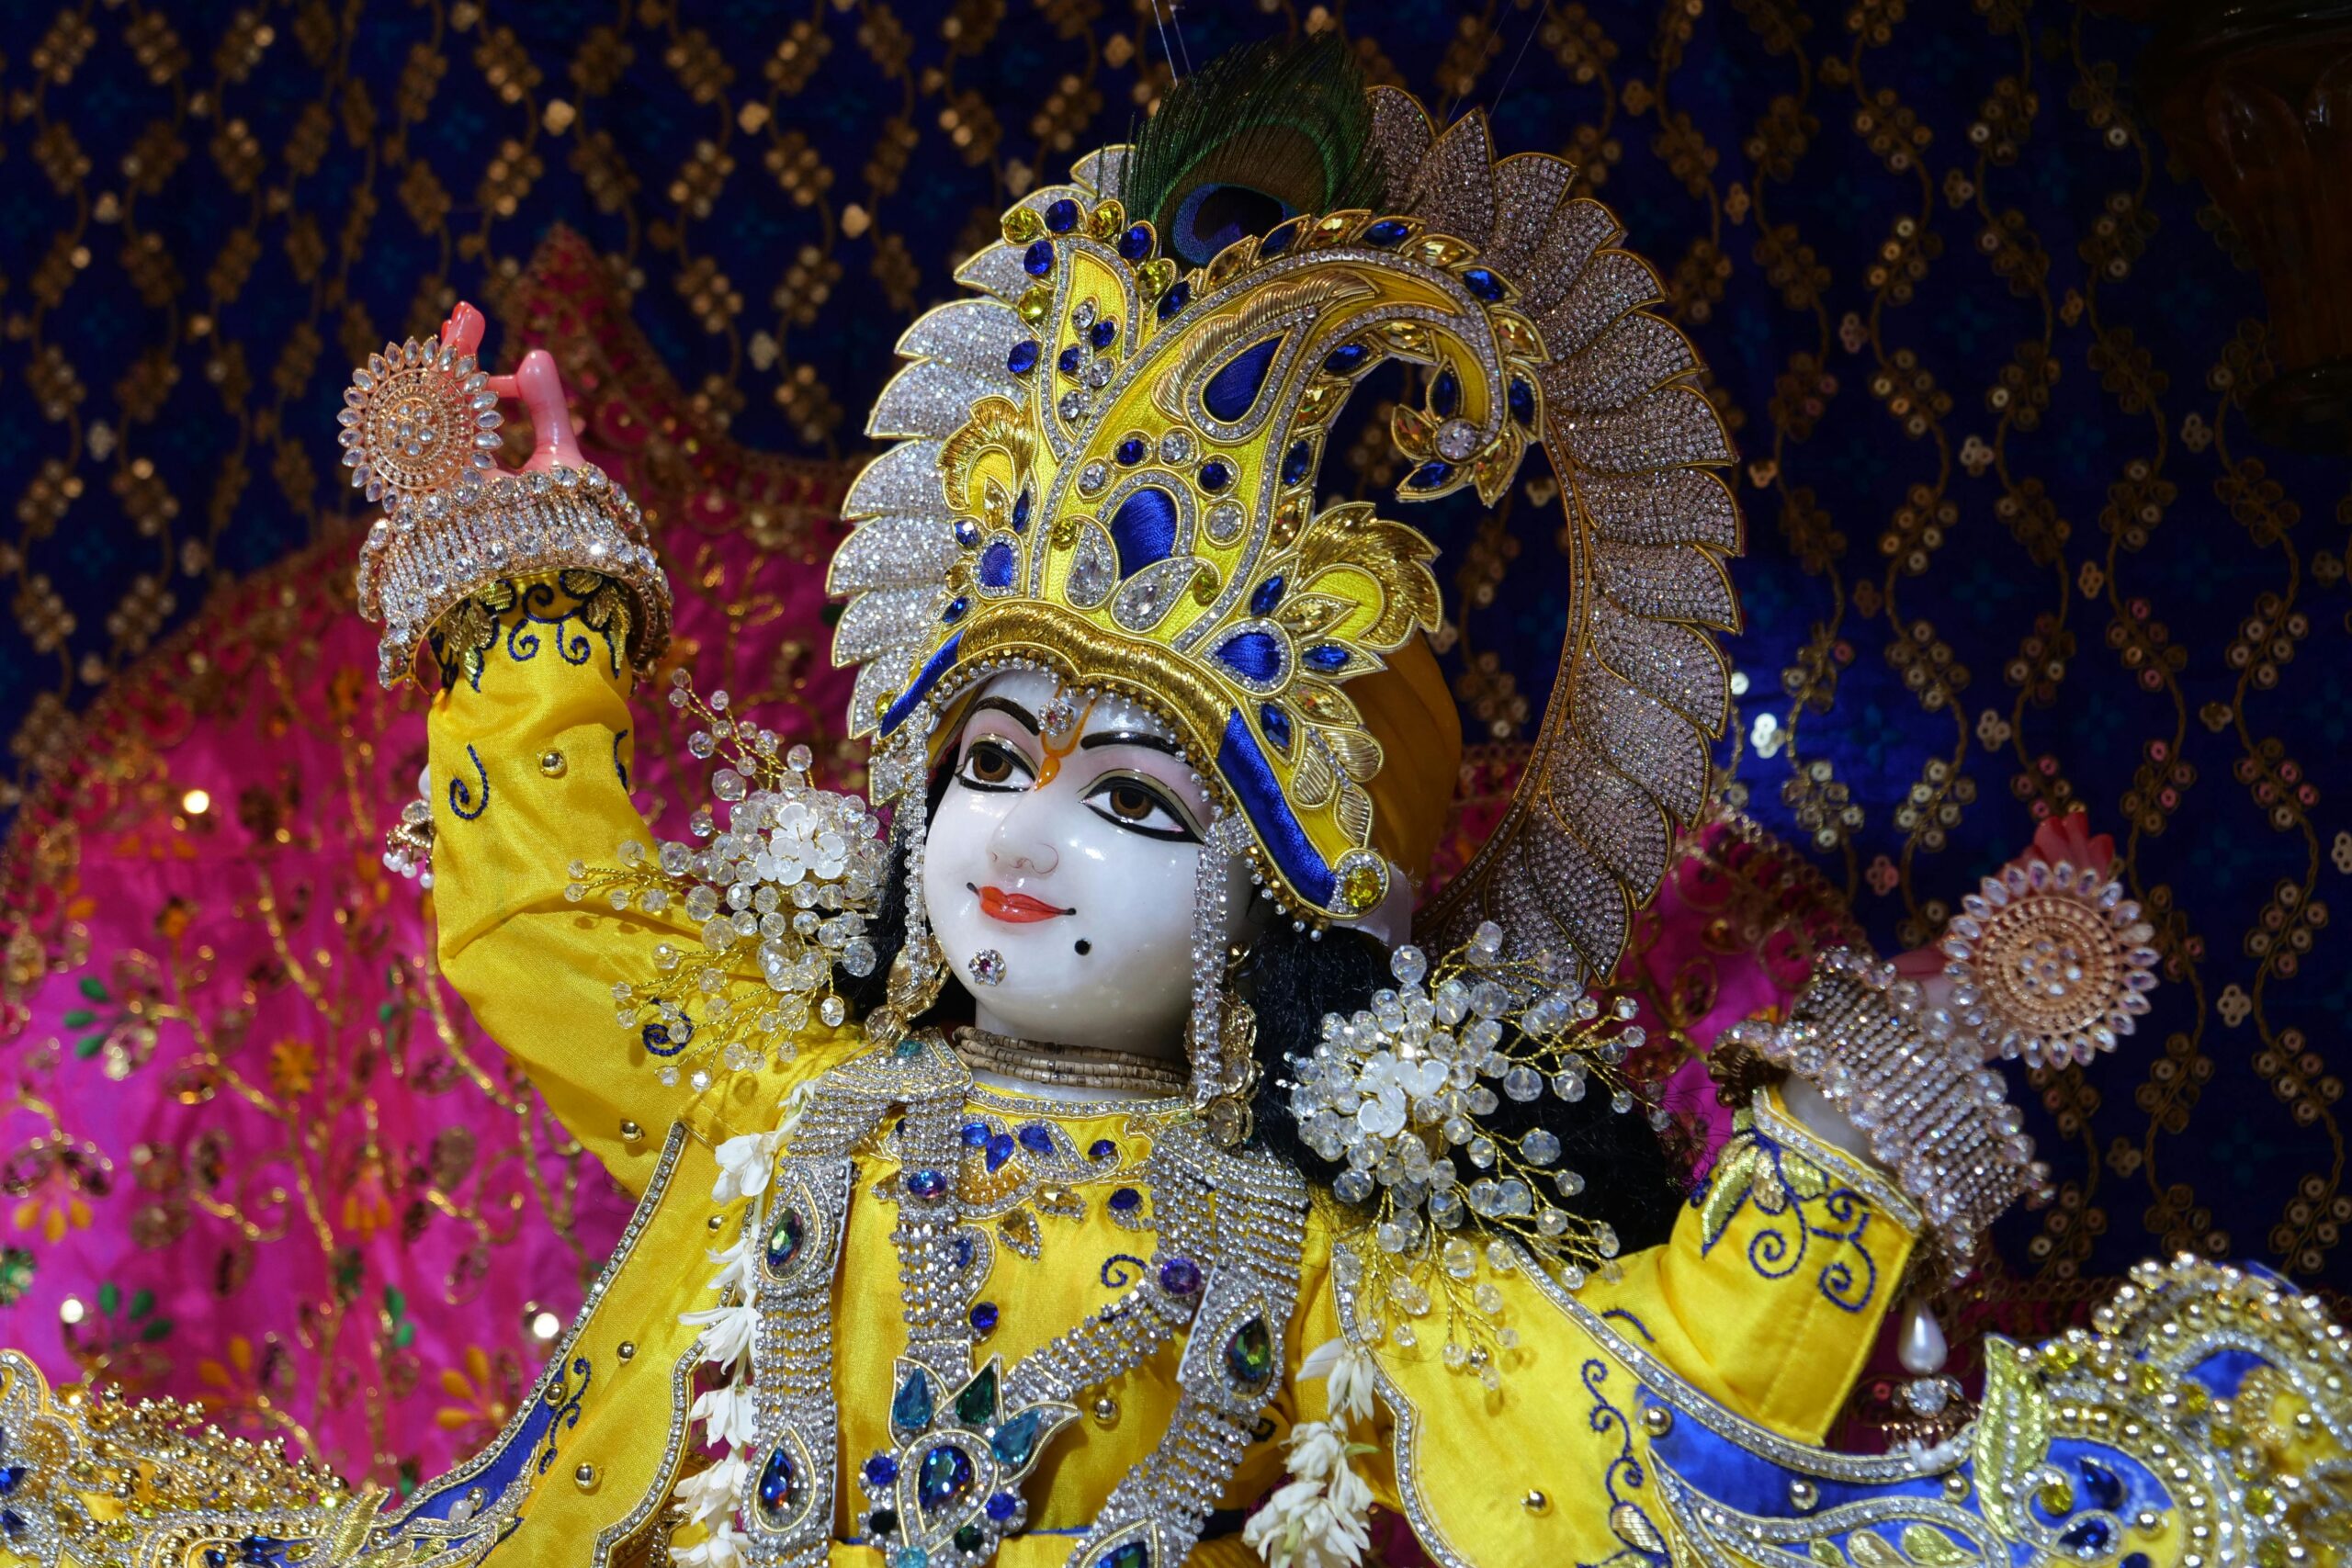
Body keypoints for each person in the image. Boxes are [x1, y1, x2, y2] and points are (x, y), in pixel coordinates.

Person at [0, 38, 2337, 1568]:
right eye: (988, 761)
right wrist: (527, 601)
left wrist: (1860, 1136)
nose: (1021, 833)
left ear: (1285, 894)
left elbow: (1624, 1430)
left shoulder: (1314, 1253)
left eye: (1132, 794)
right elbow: (542, 930)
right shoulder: (780, 1100)